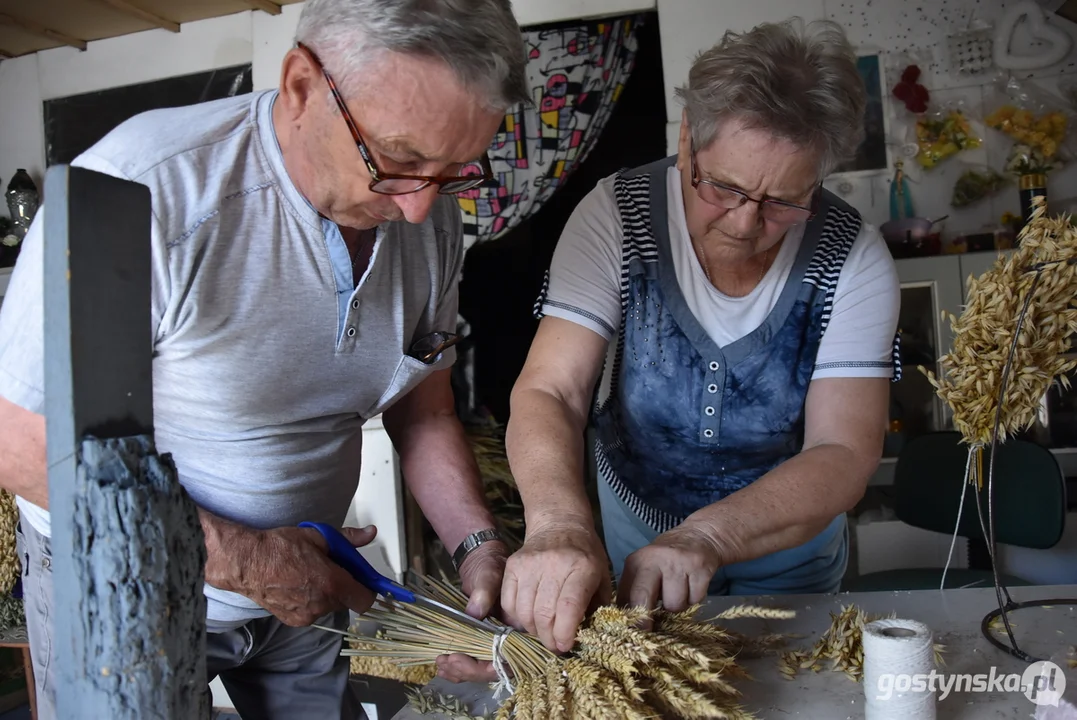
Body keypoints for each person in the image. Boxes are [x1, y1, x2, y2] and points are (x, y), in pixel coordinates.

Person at [0, 0, 528, 717]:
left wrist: (476, 545)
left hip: (305, 585)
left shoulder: (425, 216)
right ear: (302, 84)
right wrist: (245, 559)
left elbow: (423, 406)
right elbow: (18, 444)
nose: (417, 208)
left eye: (455, 171)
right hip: (123, 585)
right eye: (398, 161)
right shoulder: (144, 188)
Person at [501, 19, 901, 654]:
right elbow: (552, 389)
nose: (746, 223)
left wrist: (711, 536)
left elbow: (845, 451)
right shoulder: (617, 217)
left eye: (783, 201)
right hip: (639, 529)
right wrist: (557, 524)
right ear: (688, 142)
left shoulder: (852, 255)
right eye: (724, 187)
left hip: (790, 550)